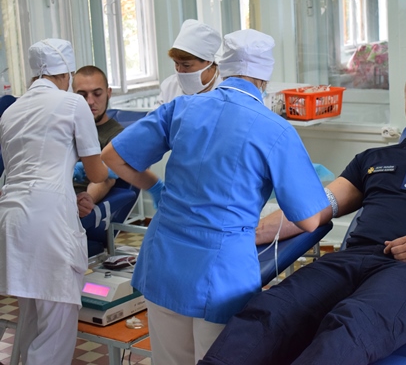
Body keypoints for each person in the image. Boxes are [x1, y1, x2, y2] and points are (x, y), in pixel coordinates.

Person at [198, 64, 406, 365]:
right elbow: (314, 209)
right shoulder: (373, 158)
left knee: (349, 326)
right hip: (350, 261)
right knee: (271, 309)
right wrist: (249, 235)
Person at [101, 28, 330, 363]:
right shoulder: (275, 129)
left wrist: (157, 188)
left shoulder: (182, 108)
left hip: (163, 260)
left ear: (221, 67)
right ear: (264, 77)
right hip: (222, 272)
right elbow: (308, 220)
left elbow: (112, 156)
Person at [0, 39, 110, 364]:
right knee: (56, 328)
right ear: (66, 74)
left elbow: (22, 171)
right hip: (49, 223)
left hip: (12, 220)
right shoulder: (72, 104)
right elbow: (97, 172)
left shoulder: (11, 110)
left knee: (31, 316)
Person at [72, 65, 124, 217]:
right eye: (82, 95)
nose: (90, 101)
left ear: (108, 93)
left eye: (97, 94)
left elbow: (106, 179)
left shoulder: (116, 135)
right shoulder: (65, 128)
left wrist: (86, 200)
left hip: (76, 203)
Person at [153, 19, 222, 108]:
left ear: (207, 61)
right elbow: (155, 115)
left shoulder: (225, 87)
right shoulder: (170, 86)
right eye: (176, 63)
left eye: (186, 65)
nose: (180, 70)